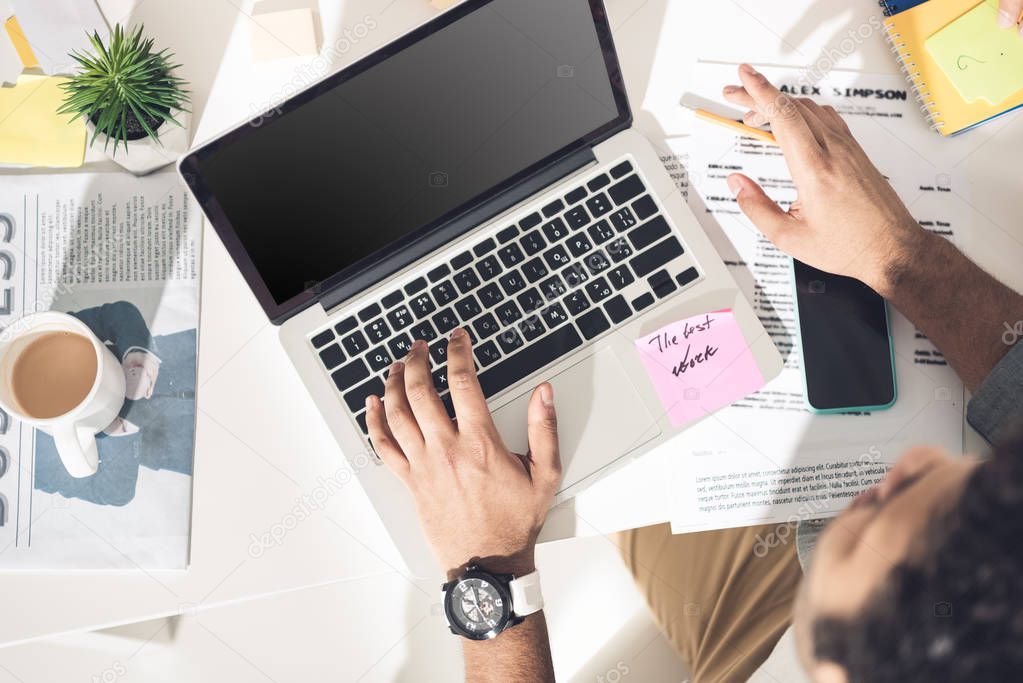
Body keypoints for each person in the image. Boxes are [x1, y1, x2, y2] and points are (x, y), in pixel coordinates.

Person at [364, 63, 1023, 682]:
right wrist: (900, 256)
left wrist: (489, 574)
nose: (907, 465)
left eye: (864, 542)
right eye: (977, 482)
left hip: (737, 631)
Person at [35, 301, 197, 506]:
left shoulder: (21, 339)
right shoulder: (19, 465)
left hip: (190, 355)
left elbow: (113, 315)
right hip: (178, 441)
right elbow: (110, 491)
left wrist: (137, 350)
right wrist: (119, 429)